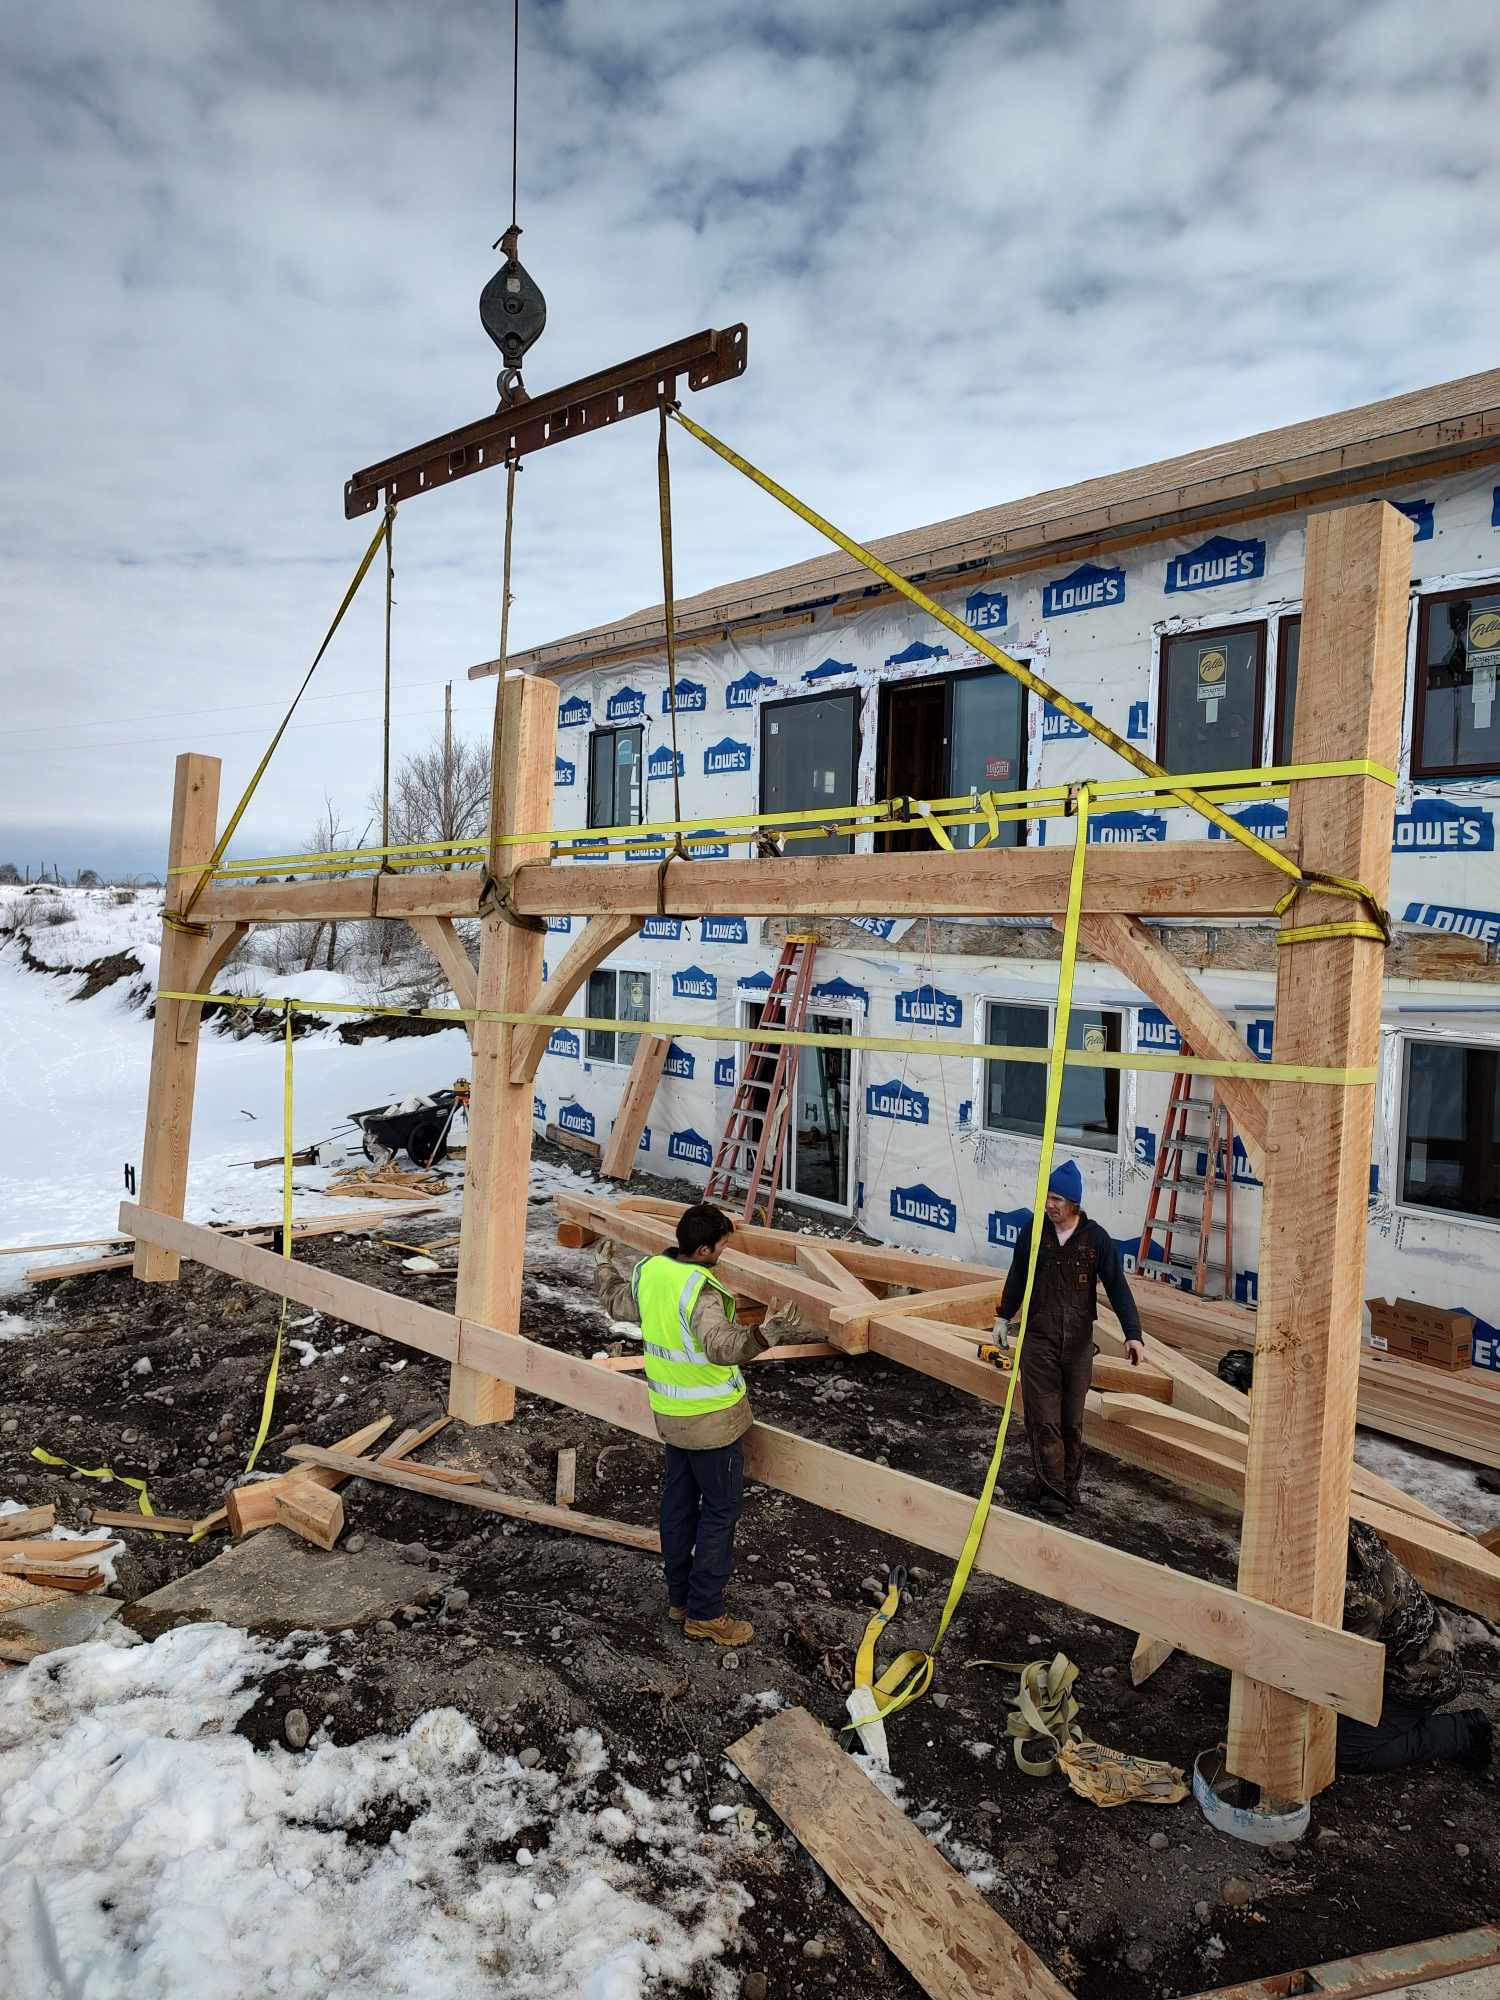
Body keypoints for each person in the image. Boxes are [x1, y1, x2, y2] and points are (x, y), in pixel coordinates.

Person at [598, 1202, 782, 1648]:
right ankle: (706, 1614)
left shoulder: (653, 1273)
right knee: (719, 1514)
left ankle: (679, 1598)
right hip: (712, 1425)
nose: (724, 1253)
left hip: (671, 1418)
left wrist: (604, 1267)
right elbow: (721, 1348)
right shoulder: (698, 1292)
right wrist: (765, 1335)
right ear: (702, 1249)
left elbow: (616, 1303)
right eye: (721, 1247)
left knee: (679, 1508)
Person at [994, 1158, 1145, 1518]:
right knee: (1042, 1420)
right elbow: (1017, 1276)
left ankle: (1060, 1487)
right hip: (1040, 1341)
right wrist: (1003, 1316)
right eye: (1048, 1196)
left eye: (1058, 1198)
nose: (1050, 1204)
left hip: (1078, 1346)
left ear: (1074, 1203)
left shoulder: (1095, 1241)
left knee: (1071, 1422)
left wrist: (1132, 1335)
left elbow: (1118, 1288)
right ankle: (1054, 1494)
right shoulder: (1034, 1232)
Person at [1337, 1520, 1493, 1774]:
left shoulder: (1355, 1600)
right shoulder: (1347, 1534)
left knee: (1344, 1750)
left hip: (1419, 1682)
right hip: (1415, 1652)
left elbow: (1342, 1672)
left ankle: (1463, 1733)